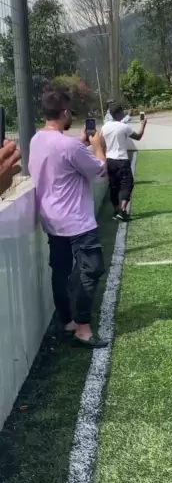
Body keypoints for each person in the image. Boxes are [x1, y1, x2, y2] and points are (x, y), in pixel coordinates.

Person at [28, 89, 109, 349]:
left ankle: (67, 321)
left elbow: (63, 161)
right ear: (64, 113)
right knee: (92, 269)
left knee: (61, 272)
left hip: (52, 220)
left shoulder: (36, 140)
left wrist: (81, 144)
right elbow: (99, 170)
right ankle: (83, 328)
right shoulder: (69, 145)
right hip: (76, 221)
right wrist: (98, 147)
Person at [102, 102, 147, 222]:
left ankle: (115, 211)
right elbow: (138, 136)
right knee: (127, 184)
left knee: (114, 186)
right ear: (118, 113)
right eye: (122, 112)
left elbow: (102, 142)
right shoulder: (123, 127)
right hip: (122, 159)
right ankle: (122, 210)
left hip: (110, 160)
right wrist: (143, 125)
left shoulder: (105, 127)